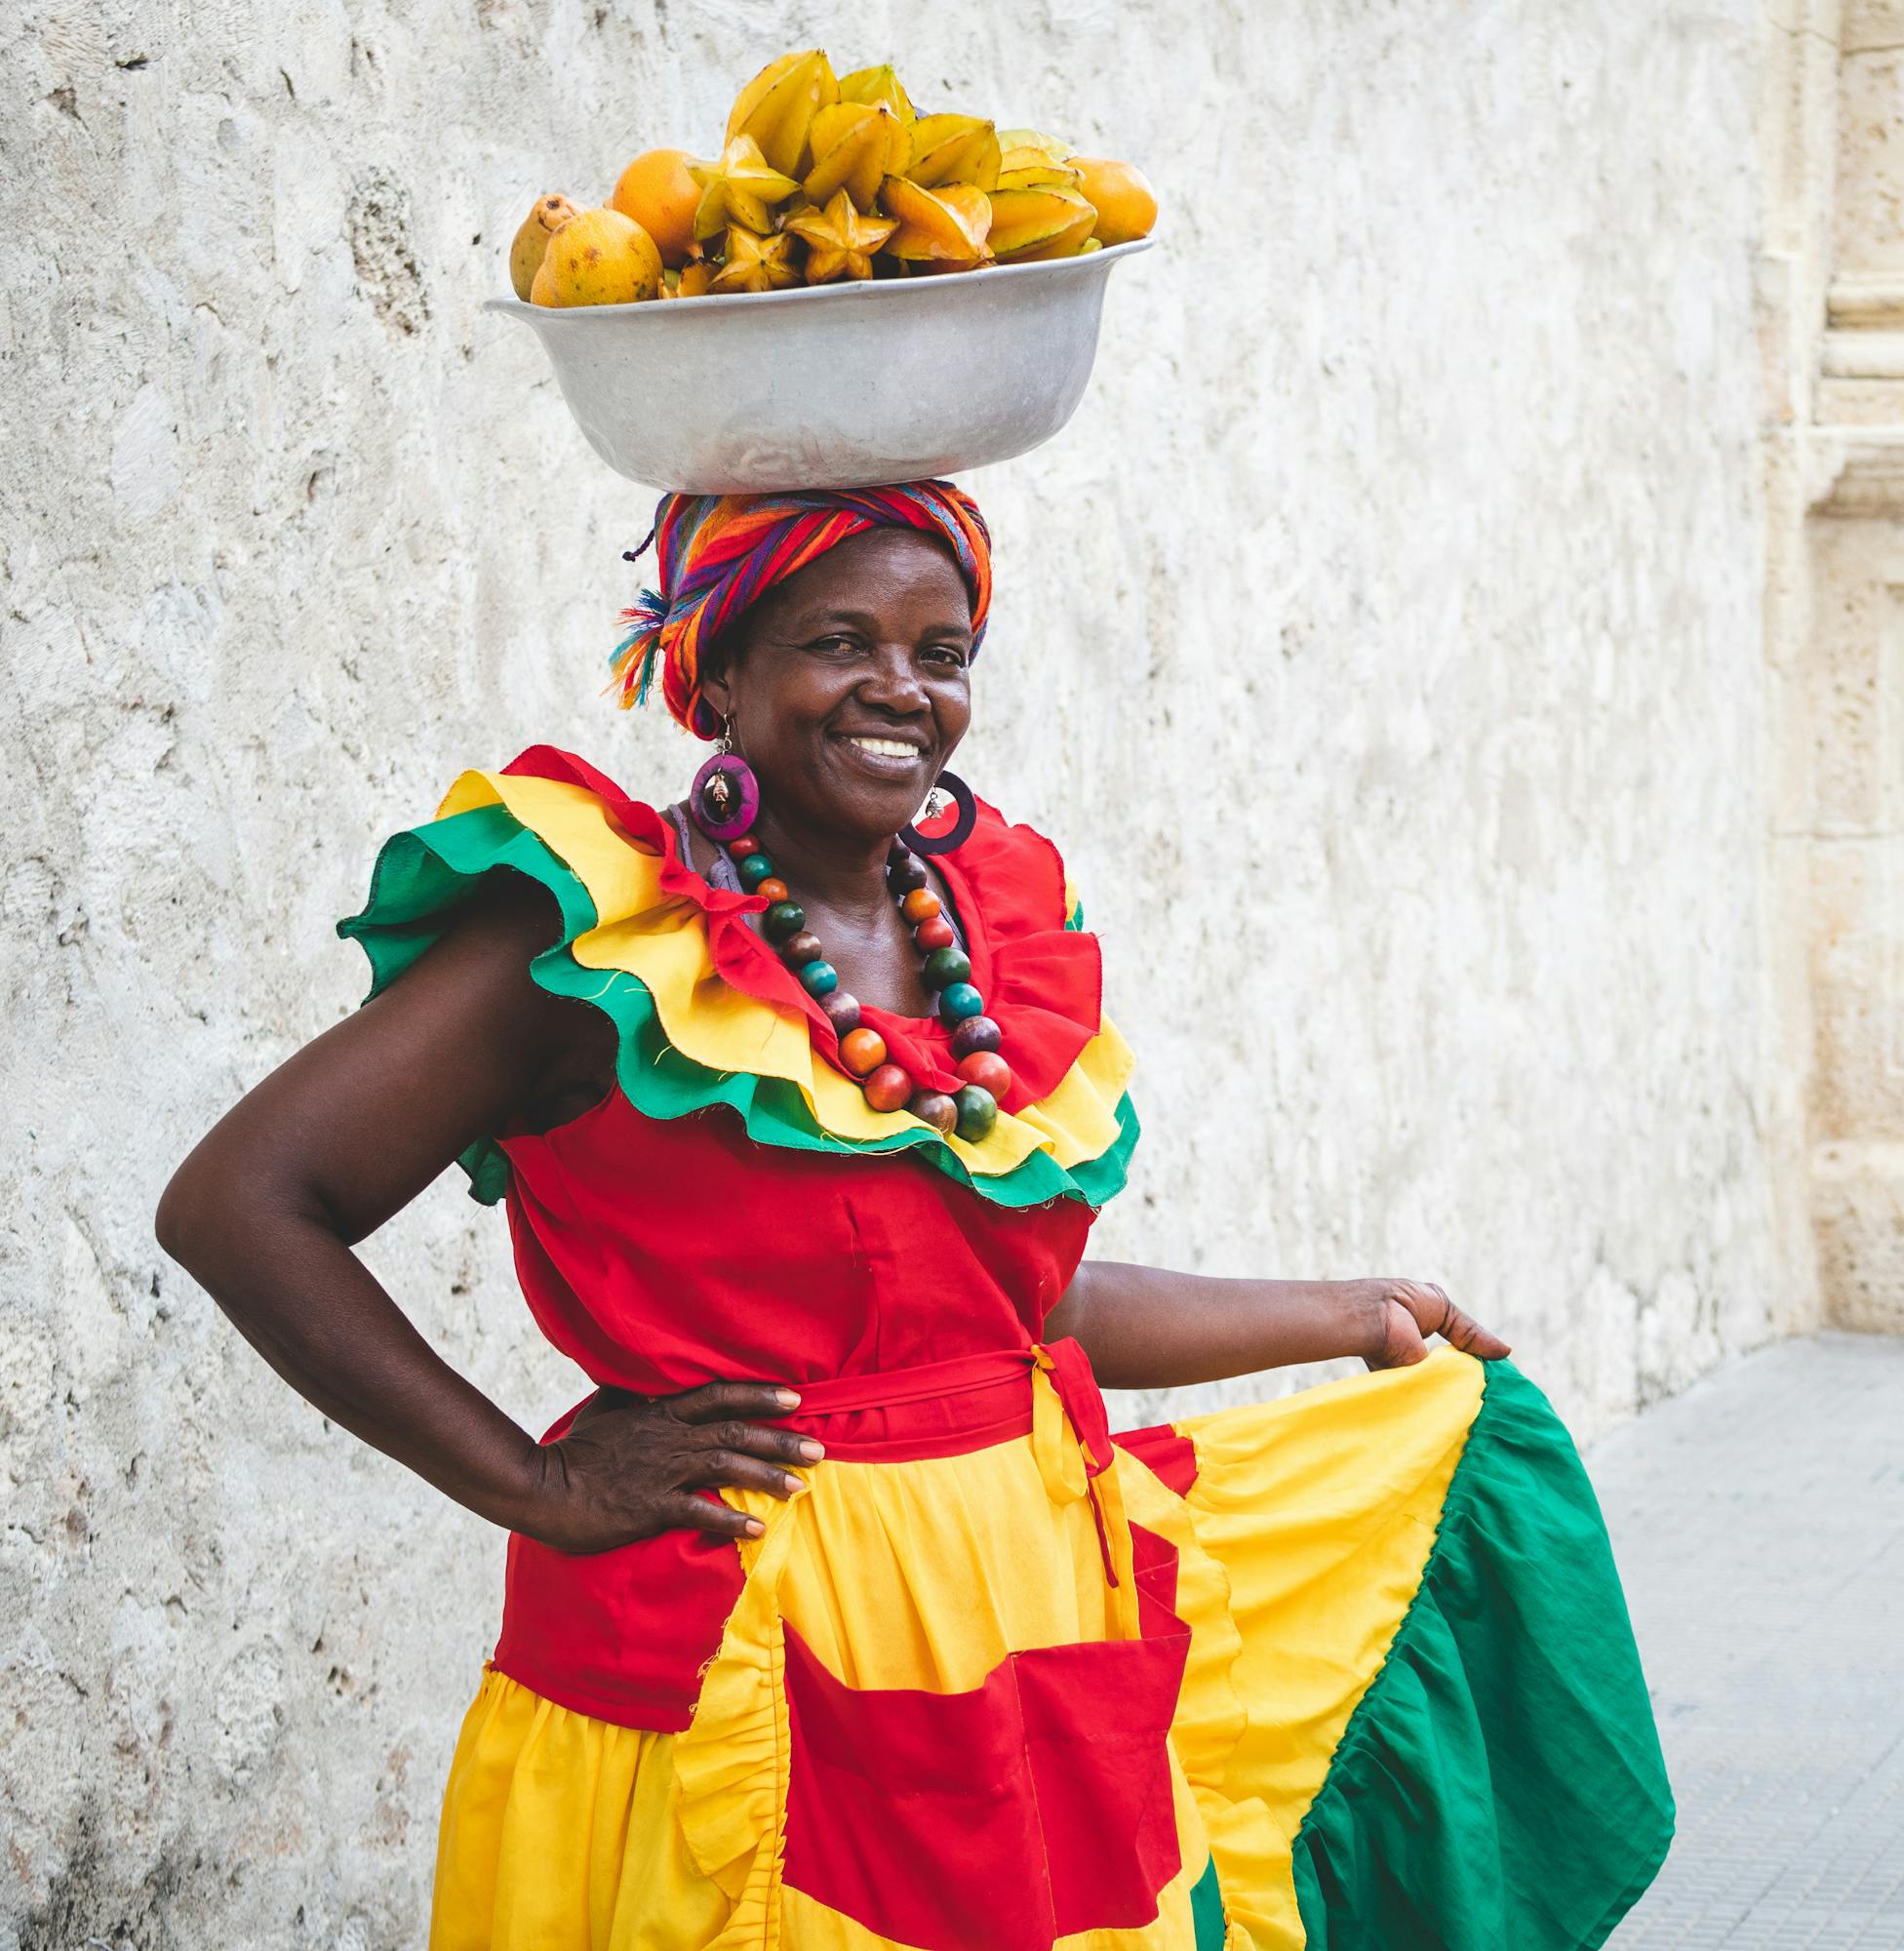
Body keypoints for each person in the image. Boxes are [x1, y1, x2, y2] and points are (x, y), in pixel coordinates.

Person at [157, 481, 1672, 1950]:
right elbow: (242, 1205)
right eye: (835, 643)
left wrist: (1345, 1309)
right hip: (735, 1645)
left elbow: (1018, 1320)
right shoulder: (593, 938)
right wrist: (531, 1487)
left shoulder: (988, 937)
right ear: (719, 670)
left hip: (1018, 1626)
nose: (899, 689)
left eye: (939, 654)